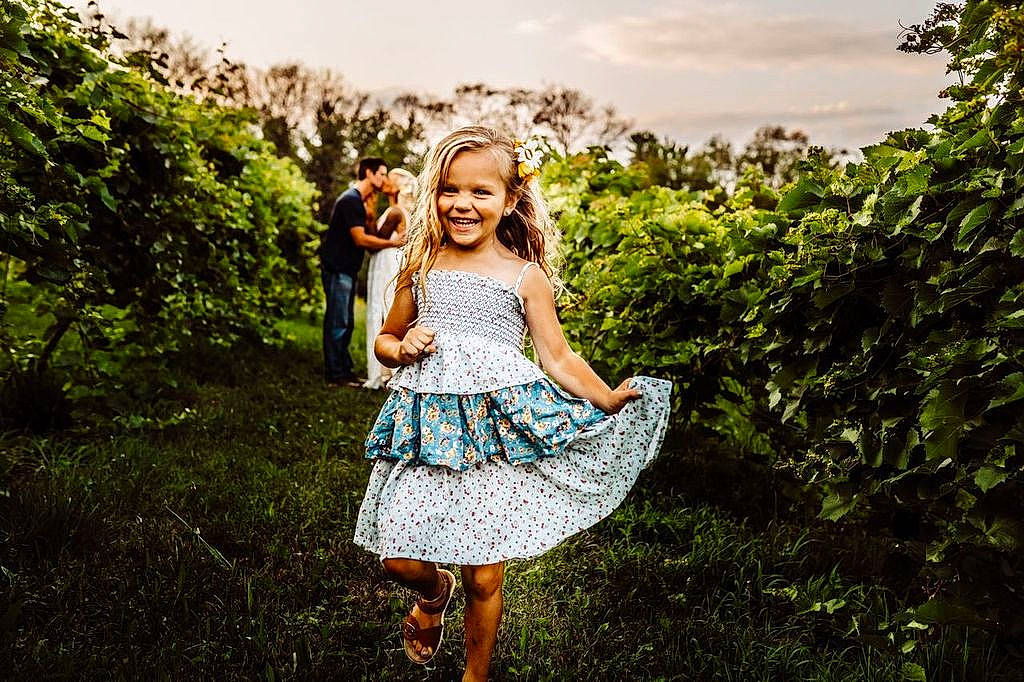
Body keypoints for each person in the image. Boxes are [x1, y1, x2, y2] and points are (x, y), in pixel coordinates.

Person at [352, 126, 672, 680]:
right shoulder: (419, 265)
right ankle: (433, 594)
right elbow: (384, 340)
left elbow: (559, 358)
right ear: (435, 194)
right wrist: (400, 348)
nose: (463, 204)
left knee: (484, 576)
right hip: (426, 425)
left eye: (481, 192)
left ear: (510, 199)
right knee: (397, 556)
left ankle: (475, 674)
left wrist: (606, 397)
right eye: (451, 190)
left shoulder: (525, 277)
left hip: (494, 429)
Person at [319, 157, 399, 387]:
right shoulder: (350, 200)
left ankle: (344, 372)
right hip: (338, 268)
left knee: (346, 321)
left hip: (347, 269)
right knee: (338, 321)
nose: (384, 179)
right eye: (382, 174)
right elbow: (361, 238)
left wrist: (373, 212)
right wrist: (393, 244)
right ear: (369, 173)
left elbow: (371, 231)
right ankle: (336, 375)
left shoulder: (362, 202)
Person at [363, 168, 417, 390]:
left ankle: (381, 373)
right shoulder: (404, 211)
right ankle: (388, 371)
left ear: (398, 187)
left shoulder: (395, 212)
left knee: (380, 309)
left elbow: (376, 239)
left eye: (390, 179)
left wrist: (368, 212)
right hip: (392, 261)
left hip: (386, 263)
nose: (385, 181)